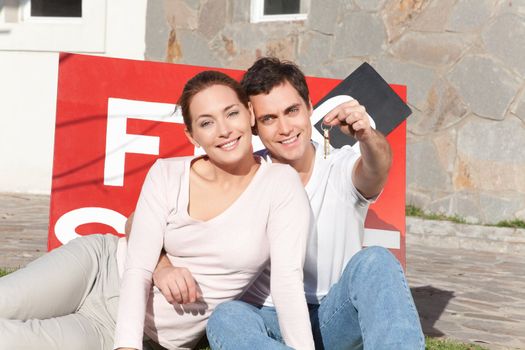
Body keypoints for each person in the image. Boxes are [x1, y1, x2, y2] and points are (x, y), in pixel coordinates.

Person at [0, 71, 315, 350]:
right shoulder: (166, 173)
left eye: (231, 113)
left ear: (249, 114)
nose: (224, 130)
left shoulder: (280, 185)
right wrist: (129, 345)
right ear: (192, 135)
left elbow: (287, 283)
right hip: (98, 267)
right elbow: (137, 268)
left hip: (122, 331)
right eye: (207, 122)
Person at [200, 57, 423, 349]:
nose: (285, 128)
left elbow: (377, 168)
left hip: (332, 316)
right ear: (254, 126)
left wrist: (367, 136)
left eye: (291, 111)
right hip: (267, 318)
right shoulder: (244, 175)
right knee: (226, 316)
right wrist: (165, 265)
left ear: (309, 107)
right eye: (269, 118)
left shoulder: (340, 166)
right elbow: (162, 219)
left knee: (376, 261)